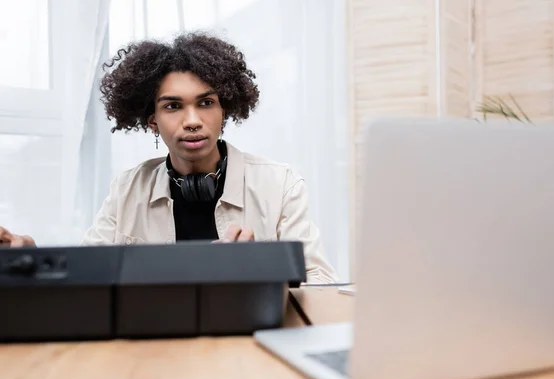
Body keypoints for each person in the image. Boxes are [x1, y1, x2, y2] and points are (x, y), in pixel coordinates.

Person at [0, 32, 337, 284]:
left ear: (224, 111)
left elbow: (321, 282)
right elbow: (91, 273)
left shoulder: (281, 185)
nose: (192, 120)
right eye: (173, 106)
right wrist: (31, 260)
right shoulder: (127, 189)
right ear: (152, 120)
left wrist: (258, 268)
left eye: (206, 103)